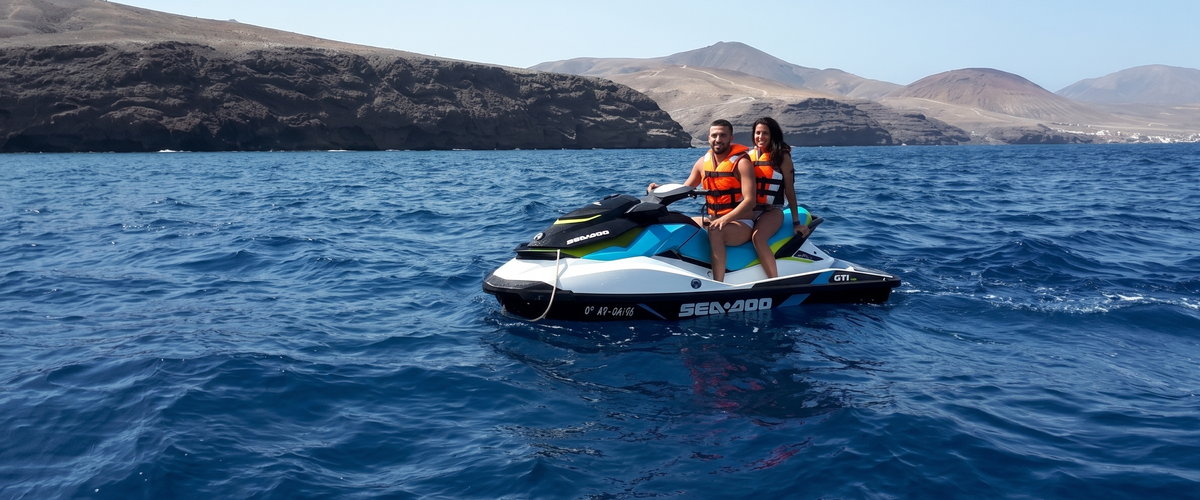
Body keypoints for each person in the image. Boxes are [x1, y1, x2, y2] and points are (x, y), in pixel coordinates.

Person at [648, 119, 756, 282]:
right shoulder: (702, 163)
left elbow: (750, 201)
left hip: (740, 223)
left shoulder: (742, 163)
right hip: (713, 219)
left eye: (723, 135)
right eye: (714, 135)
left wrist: (725, 219)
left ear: (731, 138)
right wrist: (659, 190)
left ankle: (718, 284)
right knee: (679, 223)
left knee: (715, 231)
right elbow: (684, 189)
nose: (718, 139)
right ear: (708, 138)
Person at [747, 117, 807, 279]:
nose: (760, 137)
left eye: (765, 133)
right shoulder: (748, 157)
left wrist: (796, 223)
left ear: (773, 135)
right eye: (757, 133)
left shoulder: (782, 157)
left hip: (772, 211)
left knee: (758, 238)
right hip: (749, 210)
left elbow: (790, 191)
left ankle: (773, 280)